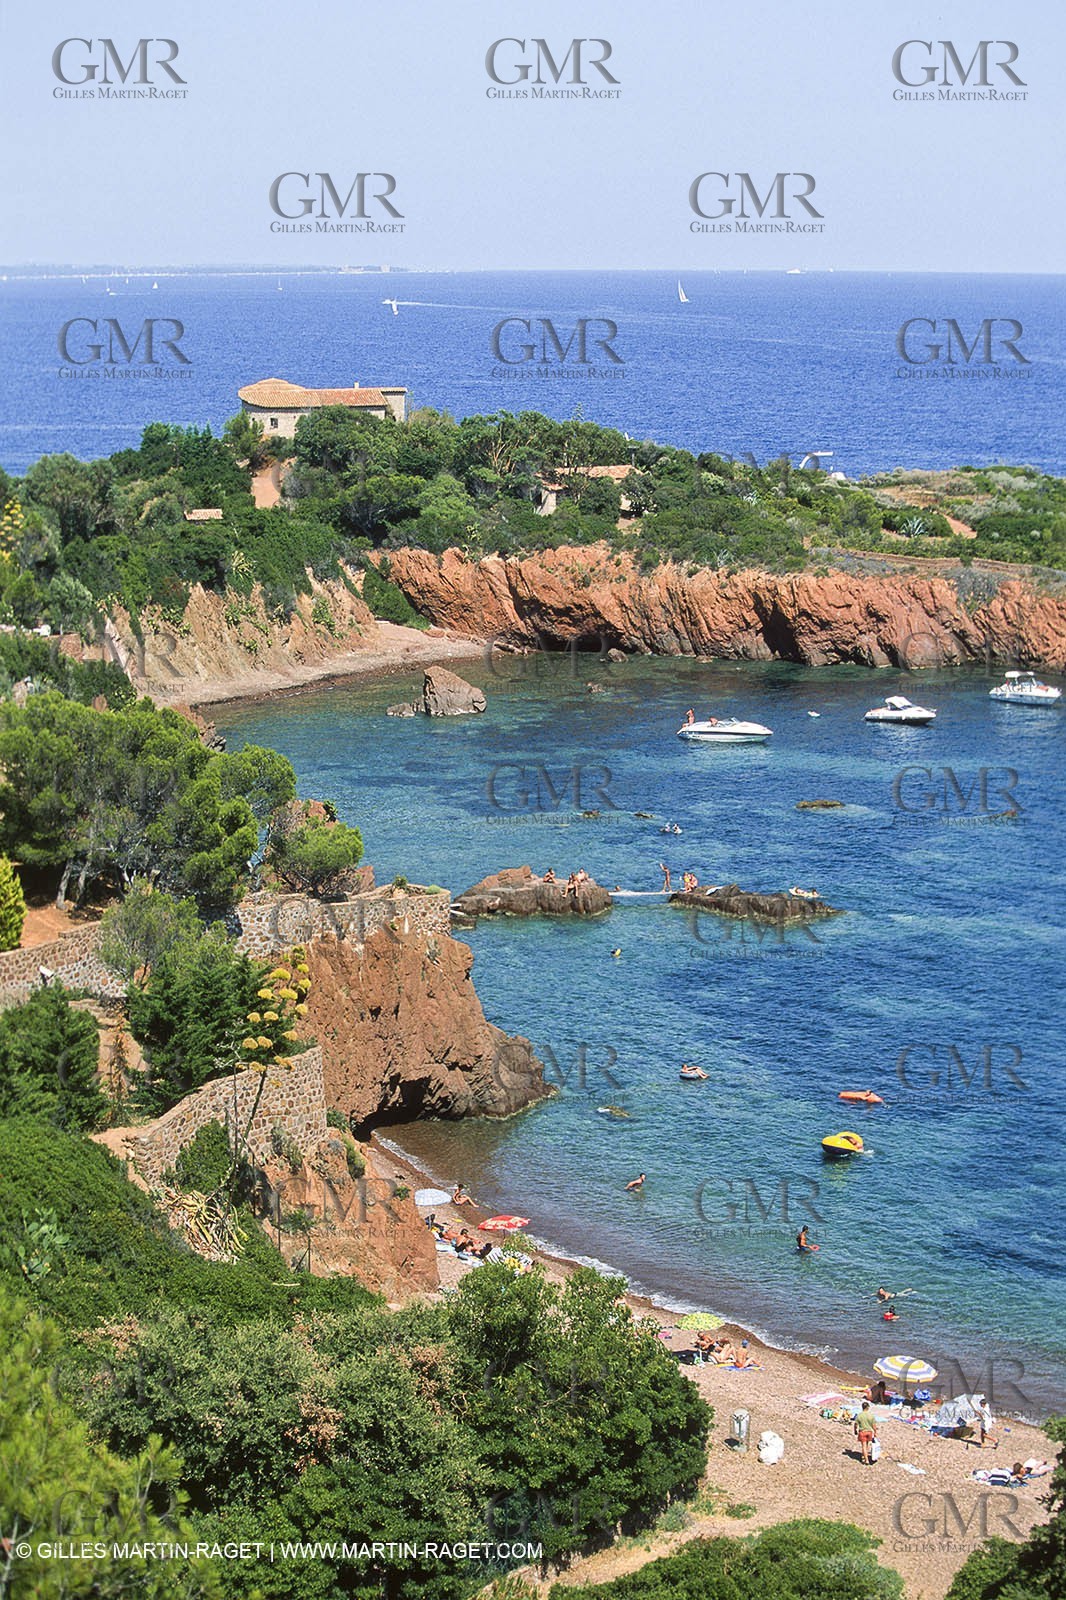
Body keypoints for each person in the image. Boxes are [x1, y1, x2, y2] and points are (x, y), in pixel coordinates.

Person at [854, 1401, 878, 1465]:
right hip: (869, 1432)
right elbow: (874, 1426)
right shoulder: (871, 1415)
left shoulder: (859, 1415)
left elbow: (856, 1424)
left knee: (864, 1446)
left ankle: (866, 1460)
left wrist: (855, 1430)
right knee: (866, 1445)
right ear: (868, 1407)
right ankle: (864, 1456)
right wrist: (875, 1432)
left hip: (862, 1432)